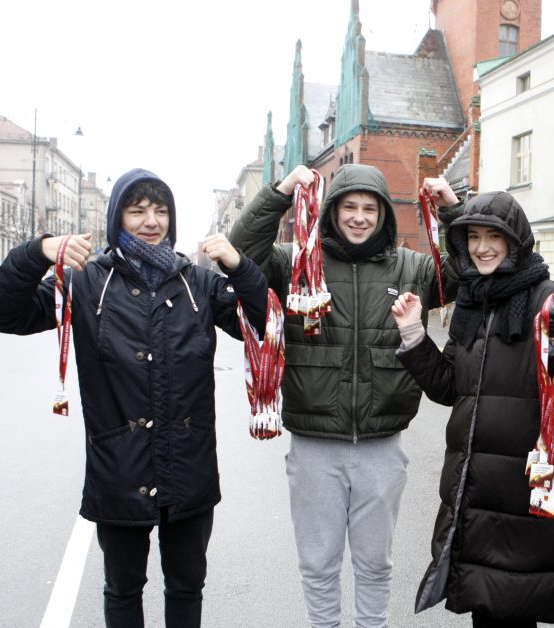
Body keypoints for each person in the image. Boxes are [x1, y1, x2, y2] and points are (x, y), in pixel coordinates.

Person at [0, 168, 268, 628]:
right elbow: (5, 313)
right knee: (123, 589)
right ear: (119, 217)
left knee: (186, 585)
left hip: (188, 465)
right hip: (119, 466)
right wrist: (37, 252)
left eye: (160, 210)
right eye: (137, 210)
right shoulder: (86, 282)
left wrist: (240, 266)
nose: (150, 220)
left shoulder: (197, 284)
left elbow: (265, 325)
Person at [228, 163, 458, 628]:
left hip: (382, 446)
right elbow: (241, 252)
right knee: (318, 566)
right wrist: (282, 191)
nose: (358, 217)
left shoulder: (411, 268)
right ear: (331, 212)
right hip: (314, 447)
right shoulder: (296, 262)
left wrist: (453, 209)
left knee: (375, 564)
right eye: (348, 207)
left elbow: (467, 271)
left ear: (383, 215)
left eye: (369, 208)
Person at [390, 191, 554, 628]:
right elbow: (449, 388)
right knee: (485, 607)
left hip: (521, 490)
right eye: (473, 237)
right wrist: (414, 336)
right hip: (473, 490)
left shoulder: (544, 298)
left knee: (515, 606)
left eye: (494, 235)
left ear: (516, 241)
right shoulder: (474, 300)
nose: (482, 247)